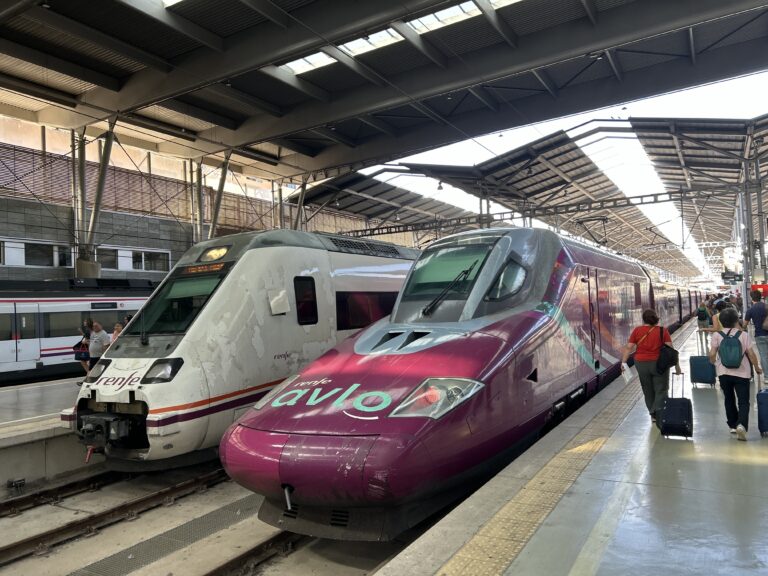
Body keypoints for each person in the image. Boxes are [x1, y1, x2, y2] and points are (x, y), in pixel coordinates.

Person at [621, 309, 682, 427]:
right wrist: (677, 366)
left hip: (641, 363)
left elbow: (629, 348)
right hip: (659, 364)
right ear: (656, 319)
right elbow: (671, 350)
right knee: (661, 389)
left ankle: (652, 414)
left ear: (643, 319)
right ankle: (657, 411)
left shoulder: (637, 331)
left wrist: (623, 363)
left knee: (647, 389)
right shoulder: (662, 331)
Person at [709, 307, 762, 441]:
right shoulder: (743, 335)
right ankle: (741, 426)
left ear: (721, 321)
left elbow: (712, 354)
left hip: (723, 373)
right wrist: (757, 367)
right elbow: (751, 354)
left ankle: (733, 425)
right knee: (744, 402)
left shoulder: (717, 335)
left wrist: (716, 364)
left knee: (729, 399)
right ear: (735, 321)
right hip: (742, 373)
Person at [744, 289, 768, 372]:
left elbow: (744, 325)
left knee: (763, 355)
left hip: (759, 335)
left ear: (751, 298)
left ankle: (766, 377)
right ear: (760, 297)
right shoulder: (766, 306)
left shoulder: (750, 310)